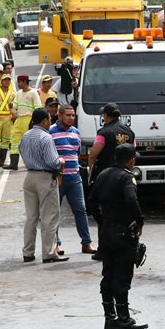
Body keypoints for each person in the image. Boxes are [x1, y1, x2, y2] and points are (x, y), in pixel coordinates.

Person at [88, 143, 147, 329]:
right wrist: (139, 220)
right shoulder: (127, 177)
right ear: (131, 161)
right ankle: (123, 318)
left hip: (106, 232)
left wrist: (102, 221)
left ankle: (110, 318)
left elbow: (92, 202)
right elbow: (131, 200)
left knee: (108, 274)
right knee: (122, 275)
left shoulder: (103, 174)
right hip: (123, 232)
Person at [19, 107, 67, 263]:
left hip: (29, 177)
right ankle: (48, 252)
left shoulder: (25, 136)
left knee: (31, 217)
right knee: (49, 217)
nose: (50, 121)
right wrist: (60, 160)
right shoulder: (46, 138)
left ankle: (28, 252)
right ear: (45, 121)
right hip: (45, 178)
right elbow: (53, 162)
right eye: (49, 119)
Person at [51, 104, 94, 255]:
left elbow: (76, 153)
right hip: (58, 179)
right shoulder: (50, 132)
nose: (71, 118)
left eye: (73, 115)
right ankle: (55, 244)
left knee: (81, 210)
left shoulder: (76, 133)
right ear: (60, 115)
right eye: (68, 115)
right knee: (54, 212)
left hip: (74, 178)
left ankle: (86, 243)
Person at [88, 103, 135, 183]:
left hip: (106, 175)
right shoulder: (130, 132)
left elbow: (93, 155)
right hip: (124, 175)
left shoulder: (103, 133)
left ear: (105, 115)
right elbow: (132, 153)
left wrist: (90, 173)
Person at [8, 74, 42, 172]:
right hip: (19, 119)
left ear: (23, 82)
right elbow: (15, 105)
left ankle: (33, 163)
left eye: (19, 82)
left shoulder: (33, 93)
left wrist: (35, 122)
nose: (18, 84)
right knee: (14, 139)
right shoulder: (19, 93)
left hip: (29, 119)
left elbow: (37, 108)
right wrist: (11, 106)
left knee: (29, 142)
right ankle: (13, 163)